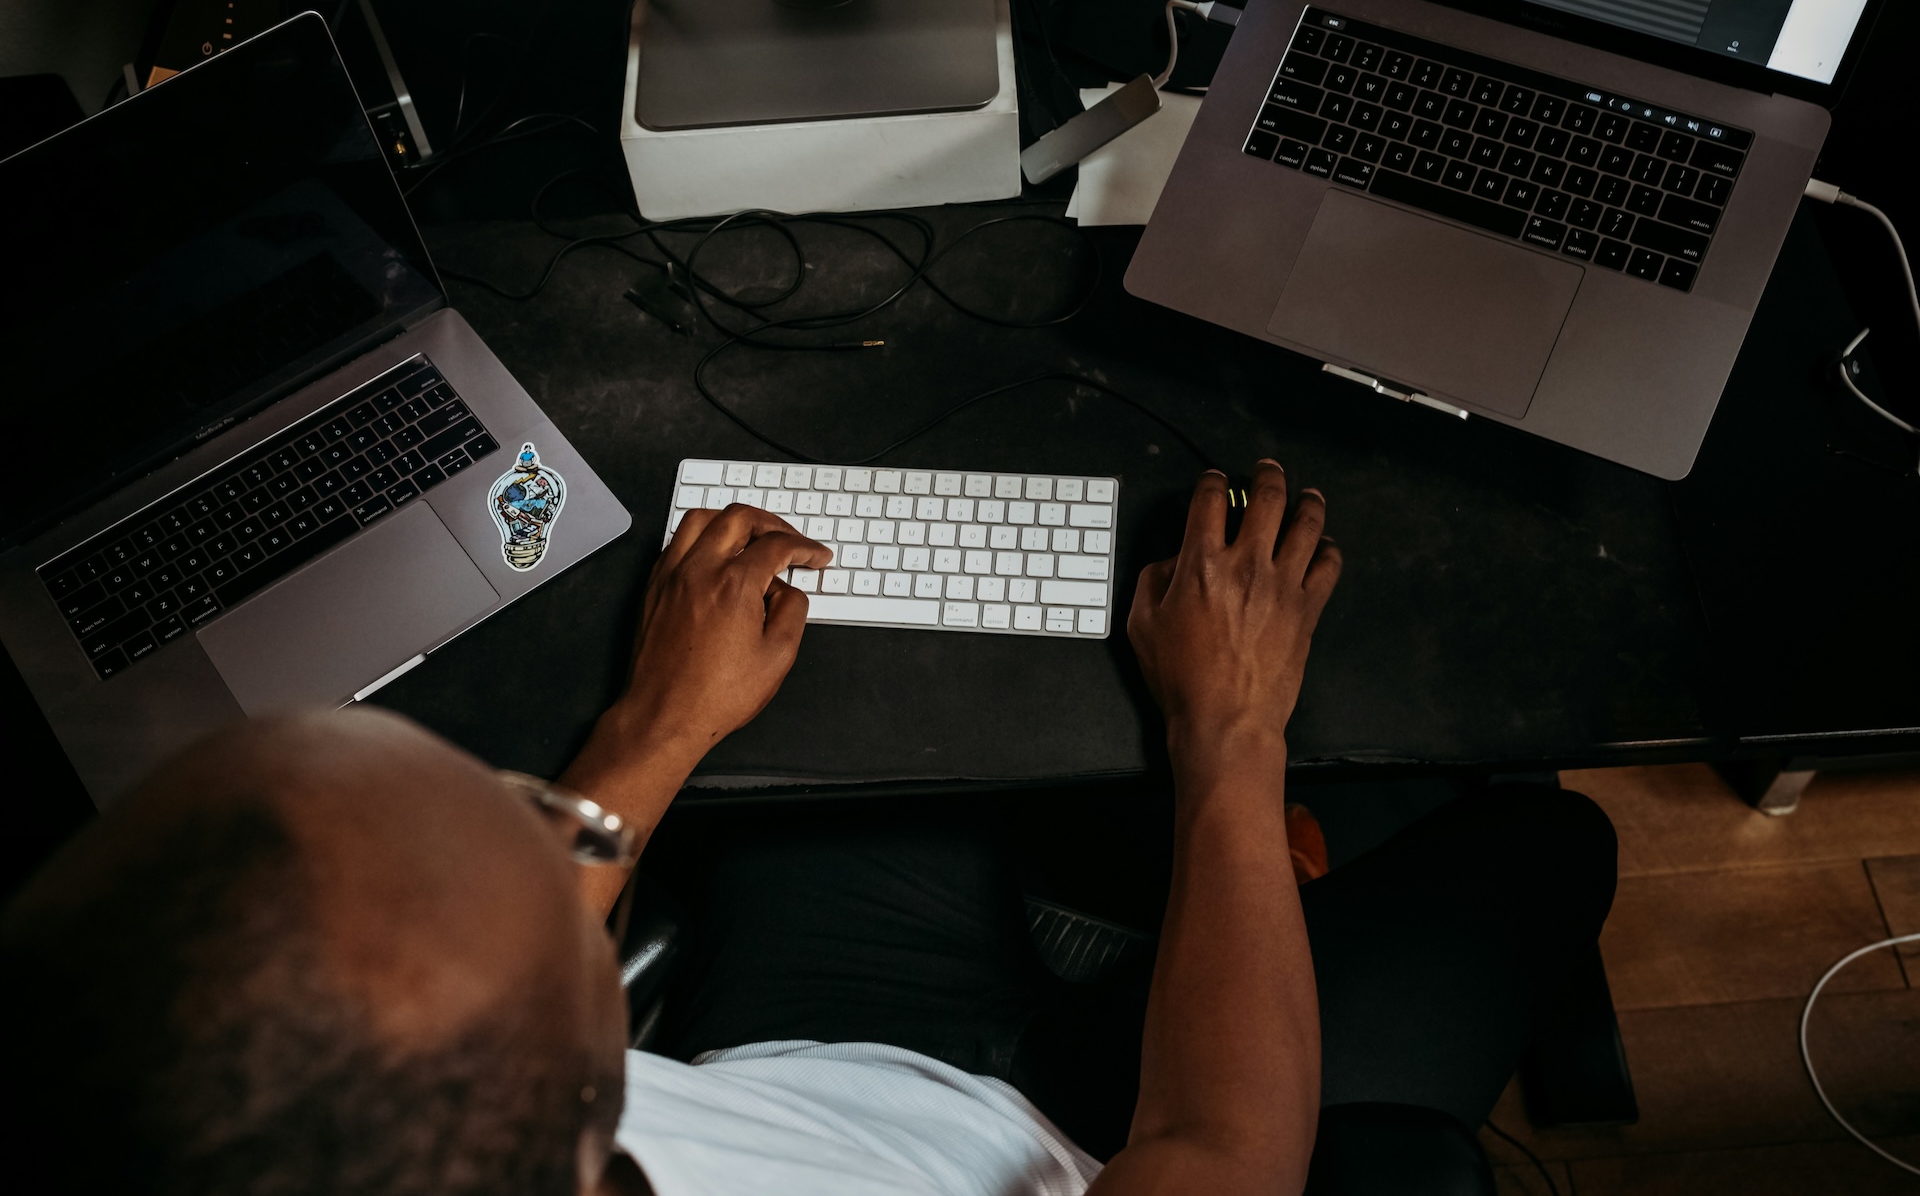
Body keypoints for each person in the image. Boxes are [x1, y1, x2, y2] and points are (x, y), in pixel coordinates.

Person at [1, 462, 1616, 1196]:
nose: (580, 839)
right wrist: (1233, 733)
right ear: (571, 1095)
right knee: (1550, 850)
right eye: (536, 836)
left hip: (804, 1064)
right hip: (1113, 1139)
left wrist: (649, 732)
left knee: (902, 732)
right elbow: (1223, 1157)